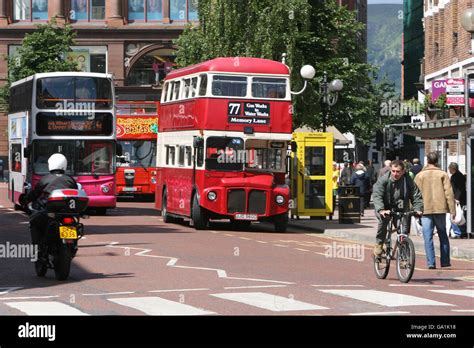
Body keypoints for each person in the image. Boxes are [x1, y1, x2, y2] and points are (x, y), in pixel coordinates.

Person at [21, 154, 78, 249]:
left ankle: (38, 248)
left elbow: (35, 193)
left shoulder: (45, 179)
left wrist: (26, 200)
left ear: (50, 164)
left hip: (49, 211)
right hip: (67, 211)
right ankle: (73, 244)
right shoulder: (70, 179)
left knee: (34, 220)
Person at [372, 160, 423, 257]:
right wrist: (381, 210)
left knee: (403, 231)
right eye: (393, 171)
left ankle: (404, 257)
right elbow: (377, 195)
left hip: (401, 207)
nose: (395, 174)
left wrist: (418, 209)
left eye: (398, 171)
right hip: (384, 206)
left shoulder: (407, 180)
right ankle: (379, 244)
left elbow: (416, 195)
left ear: (403, 171)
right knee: (384, 221)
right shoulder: (384, 179)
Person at [415, 152, 455, 269]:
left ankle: (431, 263)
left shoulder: (420, 176)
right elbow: (449, 193)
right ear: (437, 160)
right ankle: (445, 261)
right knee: (443, 235)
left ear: (427, 161)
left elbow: (415, 194)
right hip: (440, 208)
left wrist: (415, 209)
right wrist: (452, 210)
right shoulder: (443, 174)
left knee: (427, 237)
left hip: (425, 209)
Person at [448, 162, 467, 238]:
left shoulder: (456, 176)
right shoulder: (459, 175)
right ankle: (461, 232)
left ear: (453, 169)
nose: (449, 170)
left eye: (449, 168)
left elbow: (459, 189)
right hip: (459, 198)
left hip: (458, 199)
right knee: (460, 215)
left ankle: (458, 232)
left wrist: (457, 198)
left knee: (457, 215)